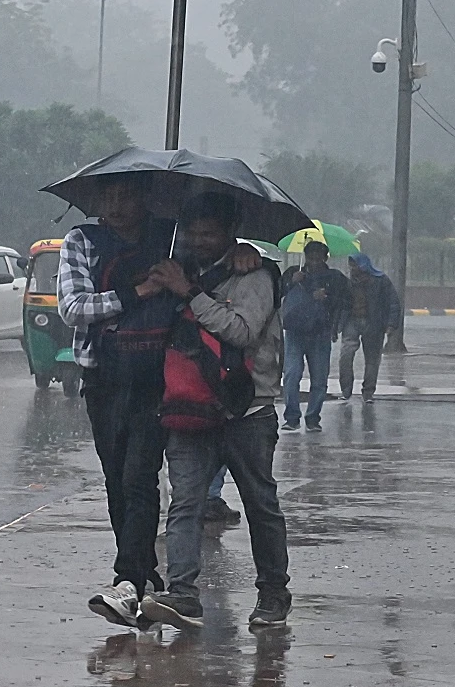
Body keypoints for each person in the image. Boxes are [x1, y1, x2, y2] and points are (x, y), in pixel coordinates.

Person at [138, 195, 291, 631]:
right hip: (187, 407)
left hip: (247, 410)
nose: (199, 241)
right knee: (185, 503)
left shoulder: (256, 274)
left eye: (209, 233)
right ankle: (182, 592)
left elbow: (242, 331)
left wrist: (191, 294)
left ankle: (273, 594)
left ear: (229, 233)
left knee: (260, 505)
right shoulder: (174, 269)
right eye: (193, 233)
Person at [57, 174, 178, 628]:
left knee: (139, 477)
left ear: (144, 197)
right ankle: (142, 572)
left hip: (156, 376)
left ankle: (127, 581)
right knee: (115, 479)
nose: (116, 202)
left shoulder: (170, 237)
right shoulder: (82, 241)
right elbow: (73, 308)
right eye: (108, 195)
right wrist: (137, 293)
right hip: (104, 376)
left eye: (126, 193)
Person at [279, 241, 348, 432]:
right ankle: (291, 417)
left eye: (319, 256)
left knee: (319, 378)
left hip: (320, 333)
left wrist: (327, 298)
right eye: (311, 256)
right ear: (305, 256)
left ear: (325, 258)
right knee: (292, 374)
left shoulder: (334, 278)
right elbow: (279, 292)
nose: (315, 261)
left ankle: (313, 418)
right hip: (295, 332)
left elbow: (344, 301)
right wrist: (292, 281)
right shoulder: (294, 272)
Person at [338, 253, 400, 403]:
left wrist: (391, 324)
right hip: (352, 322)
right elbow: (340, 304)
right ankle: (346, 390)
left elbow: (393, 303)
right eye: (351, 265)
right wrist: (336, 326)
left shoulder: (381, 281)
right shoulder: (347, 283)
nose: (353, 268)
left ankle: (368, 392)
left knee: (372, 360)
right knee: (346, 355)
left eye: (355, 264)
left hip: (374, 324)